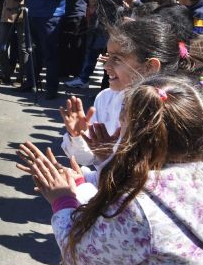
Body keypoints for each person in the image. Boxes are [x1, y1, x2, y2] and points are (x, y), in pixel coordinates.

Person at [20, 73, 203, 265]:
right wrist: (84, 179)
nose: (118, 130)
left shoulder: (138, 207)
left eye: (123, 122)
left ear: (141, 135)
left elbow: (82, 256)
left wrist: (62, 201)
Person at [60, 17, 186, 172]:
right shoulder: (106, 98)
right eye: (108, 56)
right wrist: (78, 136)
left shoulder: (175, 111)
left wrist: (109, 162)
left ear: (149, 67)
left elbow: (161, 178)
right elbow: (89, 158)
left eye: (117, 59)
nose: (106, 66)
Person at [66, 0, 140, 89]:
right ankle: (83, 79)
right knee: (91, 49)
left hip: (114, 20)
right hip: (97, 18)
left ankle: (108, 86)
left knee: (110, 53)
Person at [17, 0, 71, 99]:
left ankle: (51, 89)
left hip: (50, 17)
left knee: (50, 54)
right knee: (32, 52)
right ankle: (31, 83)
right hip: (31, 13)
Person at [58, 0, 91, 79]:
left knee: (76, 45)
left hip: (76, 13)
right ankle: (64, 70)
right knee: (63, 44)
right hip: (64, 12)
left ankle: (76, 72)